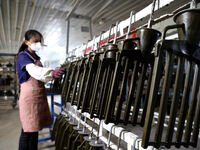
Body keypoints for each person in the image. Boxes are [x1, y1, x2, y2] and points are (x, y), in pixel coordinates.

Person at [16, 29, 64, 150]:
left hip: (37, 97)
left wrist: (54, 75)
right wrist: (52, 73)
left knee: (34, 130)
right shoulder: (23, 56)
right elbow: (35, 71)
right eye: (35, 41)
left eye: (40, 41)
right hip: (29, 99)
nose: (38, 44)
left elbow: (41, 77)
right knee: (28, 132)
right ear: (27, 42)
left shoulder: (35, 57)